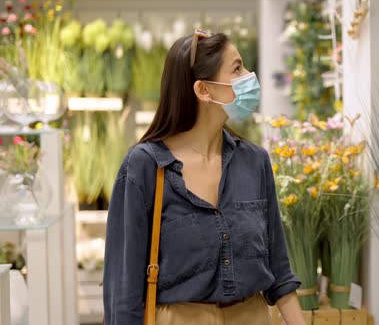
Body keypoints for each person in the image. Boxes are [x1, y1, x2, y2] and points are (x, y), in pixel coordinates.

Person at [103, 30, 305, 325]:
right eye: (237, 68)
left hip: (253, 316)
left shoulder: (254, 161)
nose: (249, 76)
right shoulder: (145, 166)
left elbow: (279, 270)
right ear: (204, 90)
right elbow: (124, 288)